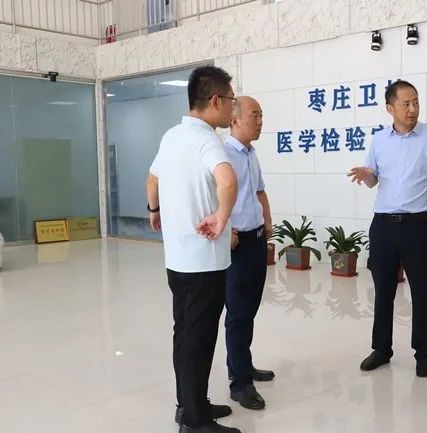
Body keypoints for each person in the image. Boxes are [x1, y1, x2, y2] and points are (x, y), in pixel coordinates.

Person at [146, 65, 240, 433]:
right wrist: (221, 217)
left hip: (177, 260)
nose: (232, 108)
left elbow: (152, 179)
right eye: (230, 100)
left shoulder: (171, 136)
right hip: (204, 261)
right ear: (215, 100)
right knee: (198, 340)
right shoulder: (208, 140)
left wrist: (154, 211)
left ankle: (189, 404)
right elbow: (227, 182)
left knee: (184, 334)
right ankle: (195, 421)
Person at [348, 79, 427, 378]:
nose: (413, 109)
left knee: (421, 292)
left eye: (416, 102)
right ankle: (381, 349)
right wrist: (366, 174)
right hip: (383, 225)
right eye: (406, 103)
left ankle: (423, 353)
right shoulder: (379, 140)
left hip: (417, 226)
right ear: (390, 108)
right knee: (383, 291)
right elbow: (373, 181)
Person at [223, 96, 275, 411]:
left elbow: (259, 191)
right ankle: (239, 383)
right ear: (234, 119)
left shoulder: (250, 153)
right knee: (238, 314)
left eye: (261, 115)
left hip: (256, 240)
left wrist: (267, 222)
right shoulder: (222, 155)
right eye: (254, 115)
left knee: (249, 310)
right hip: (236, 245)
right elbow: (211, 197)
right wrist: (226, 229)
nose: (260, 121)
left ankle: (244, 364)